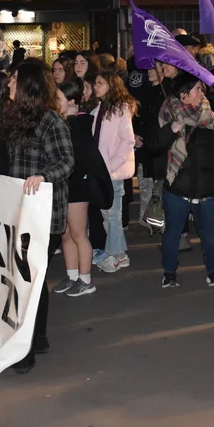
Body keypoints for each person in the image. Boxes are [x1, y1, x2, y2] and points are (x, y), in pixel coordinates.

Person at [0, 58, 74, 374]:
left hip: (42, 215)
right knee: (31, 278)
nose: (8, 83)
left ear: (28, 84)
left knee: (28, 279)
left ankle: (26, 351)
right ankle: (39, 336)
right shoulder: (10, 117)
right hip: (15, 210)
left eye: (14, 79)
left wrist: (44, 176)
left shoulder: (50, 121)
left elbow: (66, 162)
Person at [156, 73, 214, 288]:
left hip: (207, 186)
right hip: (178, 187)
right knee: (173, 232)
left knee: (209, 233)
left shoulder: (209, 116)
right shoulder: (169, 113)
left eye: (202, 89)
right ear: (183, 94)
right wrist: (170, 131)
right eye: (197, 89)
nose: (201, 93)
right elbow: (155, 146)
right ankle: (169, 273)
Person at [52, 79, 111, 298]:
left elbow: (80, 158)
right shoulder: (63, 123)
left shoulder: (80, 124)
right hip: (64, 184)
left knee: (78, 233)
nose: (54, 102)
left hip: (77, 185)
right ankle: (72, 275)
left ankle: (86, 280)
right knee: (66, 234)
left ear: (72, 102)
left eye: (58, 99)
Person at [90, 68, 137, 274]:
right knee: (107, 215)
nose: (95, 87)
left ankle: (117, 254)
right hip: (101, 171)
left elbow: (128, 140)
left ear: (111, 86)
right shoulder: (98, 109)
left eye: (100, 83)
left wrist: (111, 166)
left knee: (113, 215)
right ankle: (119, 253)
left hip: (112, 172)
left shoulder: (120, 109)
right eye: (95, 83)